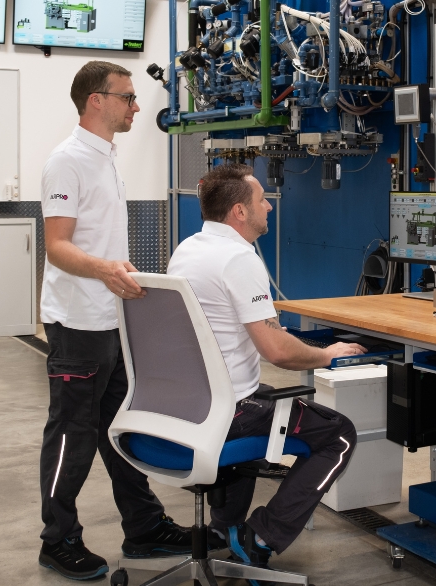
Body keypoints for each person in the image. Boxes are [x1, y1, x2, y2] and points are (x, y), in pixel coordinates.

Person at [167, 163, 366, 566]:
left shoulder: (188, 249)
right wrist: (328, 354)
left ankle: (224, 529)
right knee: (338, 434)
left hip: (185, 405)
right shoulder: (238, 259)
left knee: (263, 397)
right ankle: (260, 537)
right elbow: (278, 352)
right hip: (227, 412)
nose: (270, 207)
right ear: (239, 211)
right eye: (262, 200)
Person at [37, 61, 191, 581]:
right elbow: (58, 247)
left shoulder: (107, 158)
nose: (137, 106)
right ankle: (57, 540)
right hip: (77, 324)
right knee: (72, 435)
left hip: (111, 321)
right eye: (127, 97)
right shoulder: (68, 161)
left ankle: (144, 526)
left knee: (120, 428)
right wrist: (104, 270)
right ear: (96, 100)